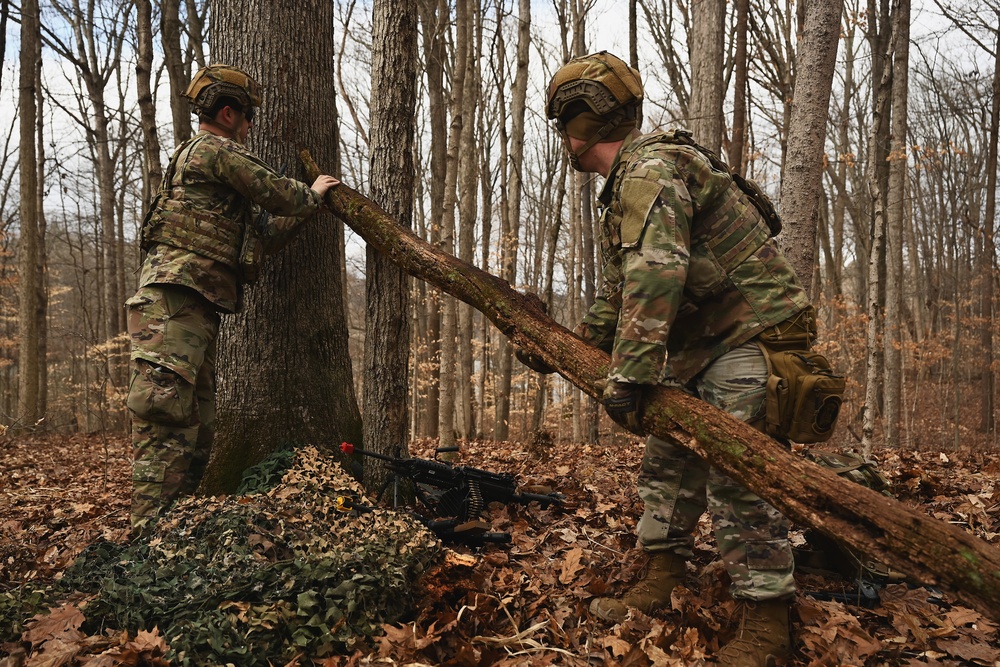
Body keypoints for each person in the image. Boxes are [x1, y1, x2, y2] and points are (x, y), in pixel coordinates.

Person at [536, 51, 817, 665]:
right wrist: (567, 345)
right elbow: (625, 289)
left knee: (737, 475)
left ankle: (767, 619)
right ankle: (662, 575)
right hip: (699, 343)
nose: (562, 139)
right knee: (668, 458)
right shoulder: (641, 173)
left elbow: (658, 276)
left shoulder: (647, 173)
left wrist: (629, 376)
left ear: (582, 123)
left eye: (564, 124)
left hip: (748, 335)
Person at [125, 64, 340, 538]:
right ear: (227, 113)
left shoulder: (210, 173)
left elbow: (260, 235)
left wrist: (311, 204)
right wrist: (311, 193)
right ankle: (143, 545)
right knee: (165, 419)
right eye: (248, 118)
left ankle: (169, 537)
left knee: (197, 431)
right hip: (173, 304)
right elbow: (279, 194)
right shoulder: (213, 150)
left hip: (192, 308)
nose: (250, 127)